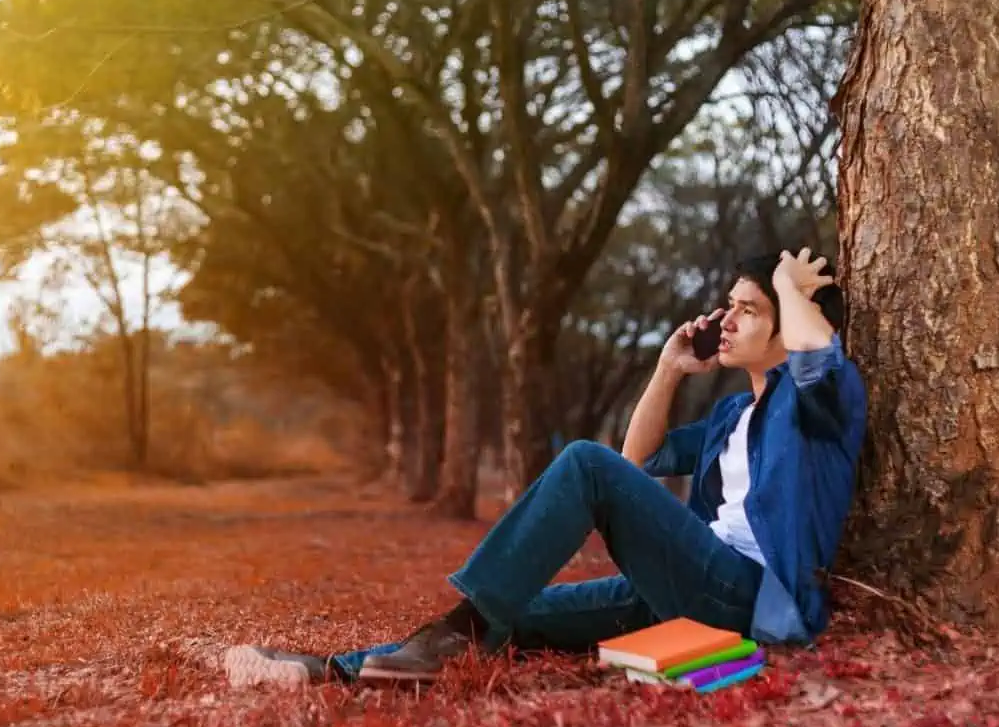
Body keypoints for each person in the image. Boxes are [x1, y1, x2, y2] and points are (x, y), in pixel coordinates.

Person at [224, 248, 867, 687]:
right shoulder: (732, 416)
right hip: (683, 586)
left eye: (747, 310)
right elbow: (634, 462)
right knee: (517, 613)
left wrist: (788, 284)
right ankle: (328, 670)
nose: (725, 319)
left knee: (581, 463)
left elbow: (815, 353)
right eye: (729, 305)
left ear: (791, 325)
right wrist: (669, 368)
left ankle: (457, 630)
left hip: (751, 601)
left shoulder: (821, 402)